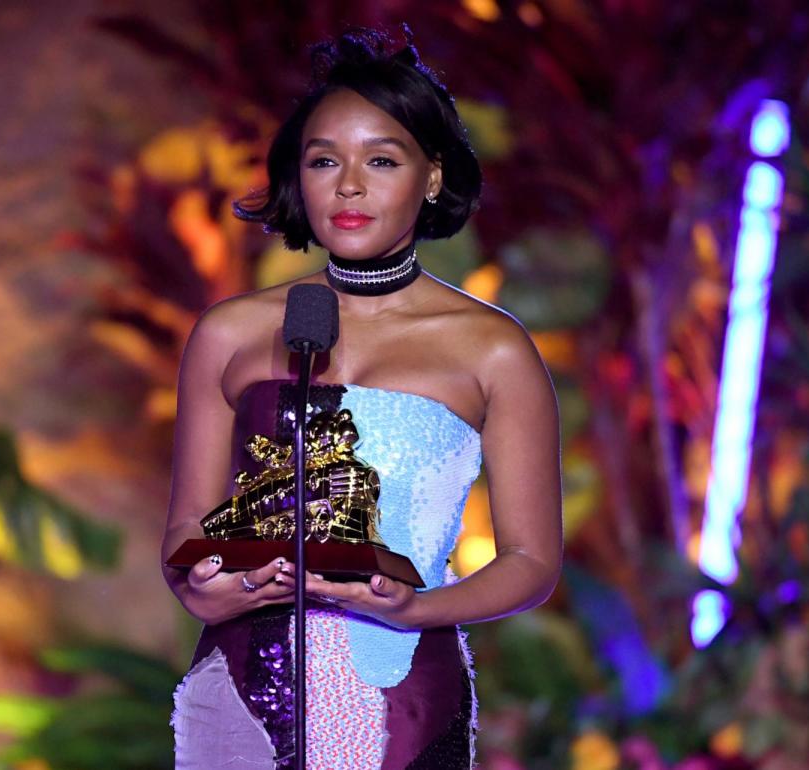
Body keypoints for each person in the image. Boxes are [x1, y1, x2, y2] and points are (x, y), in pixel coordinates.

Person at [161, 27, 562, 770]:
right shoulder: (229, 333)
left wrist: (416, 608)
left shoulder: (493, 350)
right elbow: (185, 529)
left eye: (381, 159)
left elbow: (532, 561)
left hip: (400, 699)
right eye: (324, 161)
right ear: (298, 178)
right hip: (236, 698)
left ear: (432, 177)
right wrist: (204, 593)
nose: (349, 185)